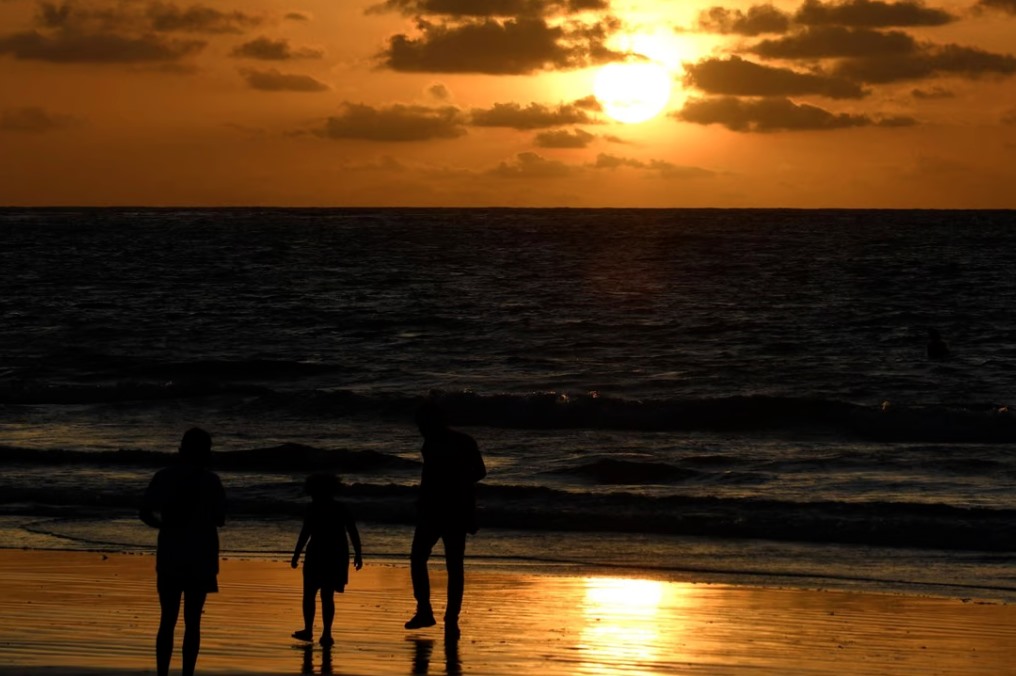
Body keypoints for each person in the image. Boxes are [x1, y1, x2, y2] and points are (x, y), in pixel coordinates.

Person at [140, 427, 225, 676]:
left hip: (170, 552)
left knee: (167, 619)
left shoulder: (164, 476)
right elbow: (220, 518)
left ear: (181, 450)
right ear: (206, 453)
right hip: (201, 554)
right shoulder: (211, 481)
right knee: (193, 622)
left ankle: (162, 673)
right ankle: (187, 673)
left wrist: (164, 525)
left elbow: (145, 512)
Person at [404, 401, 486, 640]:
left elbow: (479, 472)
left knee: (443, 562)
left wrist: (453, 483)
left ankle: (444, 615)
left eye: (422, 424)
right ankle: (431, 612)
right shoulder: (432, 443)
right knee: (429, 560)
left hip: (453, 508)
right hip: (440, 508)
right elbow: (428, 477)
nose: (420, 429)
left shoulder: (457, 442)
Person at [290, 472, 363, 647]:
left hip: (318, 552)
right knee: (327, 596)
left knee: (310, 594)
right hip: (337, 554)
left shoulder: (313, 508)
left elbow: (305, 533)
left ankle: (309, 630)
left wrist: (296, 554)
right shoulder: (341, 508)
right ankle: (326, 634)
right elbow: (353, 532)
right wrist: (358, 553)